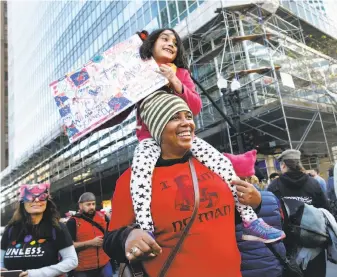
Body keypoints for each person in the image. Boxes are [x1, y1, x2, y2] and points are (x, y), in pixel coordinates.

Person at [103, 94, 284, 276]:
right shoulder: (132, 178)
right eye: (174, 117)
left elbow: (226, 218)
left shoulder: (213, 164)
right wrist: (128, 237)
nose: (186, 123)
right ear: (157, 126)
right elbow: (110, 241)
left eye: (188, 116)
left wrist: (256, 201)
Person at [268, 149, 330, 277]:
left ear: (283, 165)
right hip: (313, 241)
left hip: (288, 244)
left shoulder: (275, 186)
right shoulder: (314, 183)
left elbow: (270, 216)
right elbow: (326, 210)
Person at [0, 183, 78, 277]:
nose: (36, 200)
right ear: (22, 202)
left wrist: (35, 274)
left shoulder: (57, 228)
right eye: (29, 197)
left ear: (47, 201)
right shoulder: (11, 229)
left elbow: (72, 260)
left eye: (42, 196)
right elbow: (1, 260)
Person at [66, 192, 111, 277]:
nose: (91, 207)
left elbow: (111, 234)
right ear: (80, 205)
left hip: (104, 264)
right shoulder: (73, 222)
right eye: (88, 204)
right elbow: (68, 245)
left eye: (93, 204)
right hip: (82, 268)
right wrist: (91, 243)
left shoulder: (103, 216)